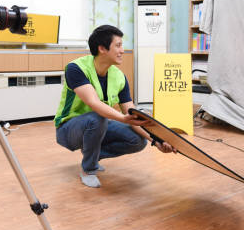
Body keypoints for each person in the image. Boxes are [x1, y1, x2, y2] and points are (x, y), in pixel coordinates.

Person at [54, 25, 175, 188]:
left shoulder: (119, 77)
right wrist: (123, 118)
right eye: (118, 45)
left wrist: (156, 140)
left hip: (98, 124)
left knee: (138, 140)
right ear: (102, 48)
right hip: (68, 129)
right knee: (97, 118)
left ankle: (91, 155)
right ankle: (89, 169)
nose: (122, 50)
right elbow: (94, 103)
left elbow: (132, 115)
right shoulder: (76, 68)